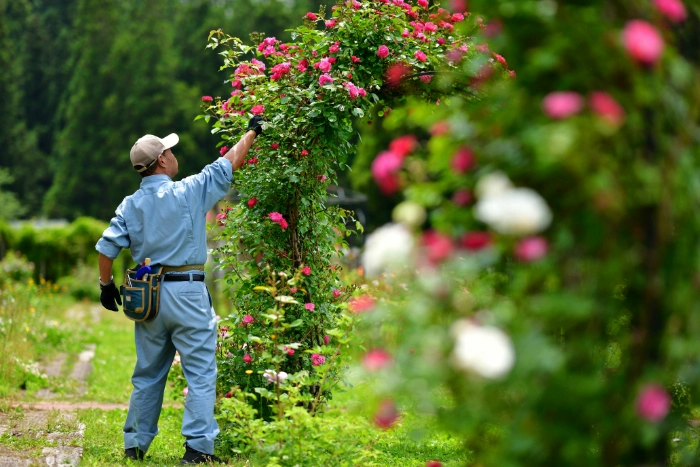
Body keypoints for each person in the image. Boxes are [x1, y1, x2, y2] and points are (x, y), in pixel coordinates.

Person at [96, 116, 263, 464]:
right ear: (161, 160)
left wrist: (106, 285)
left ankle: (136, 445)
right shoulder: (189, 191)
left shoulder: (129, 205)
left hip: (149, 297)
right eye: (169, 150)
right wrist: (252, 131)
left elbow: (105, 248)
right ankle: (199, 450)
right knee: (200, 372)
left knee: (148, 373)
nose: (173, 154)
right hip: (187, 292)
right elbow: (228, 163)